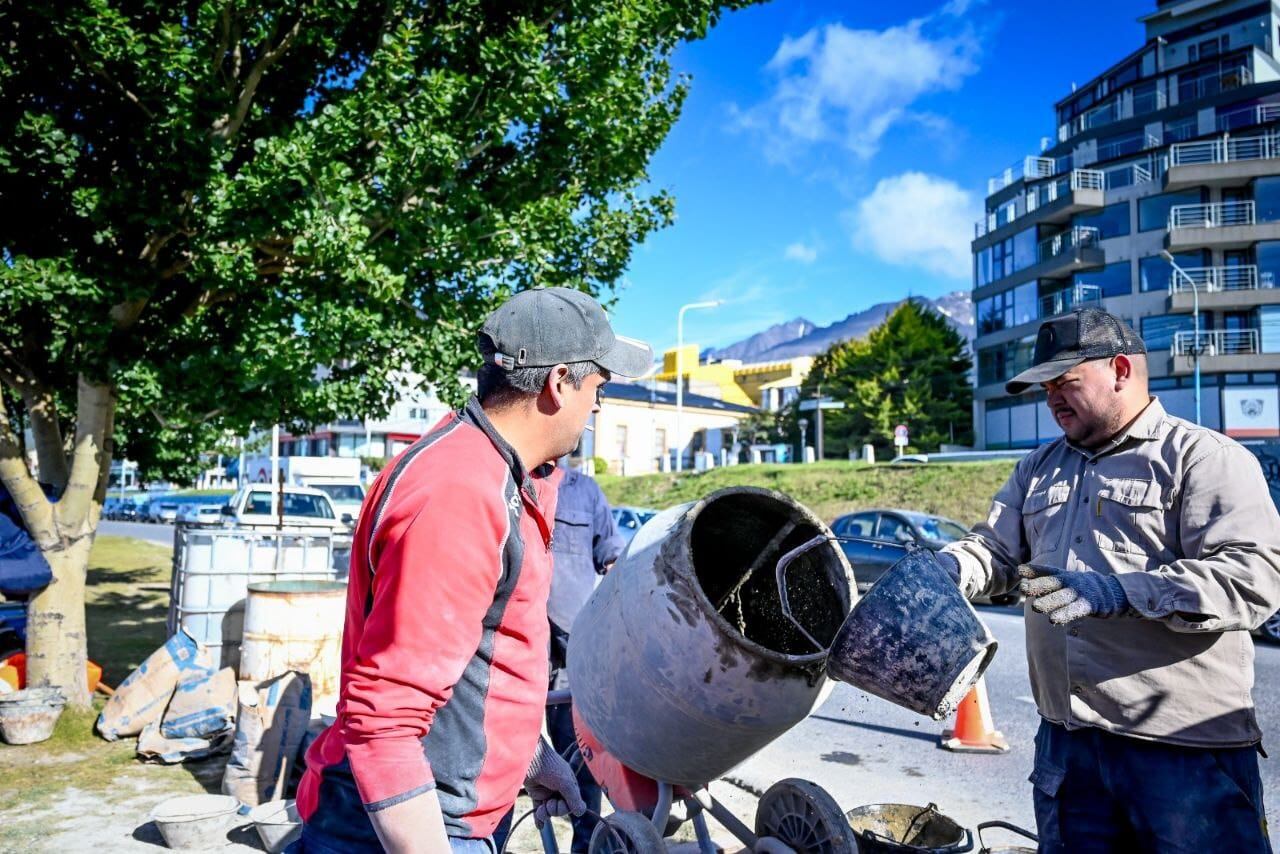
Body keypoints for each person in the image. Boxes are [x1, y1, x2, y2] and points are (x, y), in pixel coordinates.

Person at [295, 287, 653, 853]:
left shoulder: (502, 474)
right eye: (598, 392)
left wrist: (529, 759)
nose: (595, 412)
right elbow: (385, 722)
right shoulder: (460, 491)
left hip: (450, 808)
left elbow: (476, 660)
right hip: (410, 823)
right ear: (560, 384)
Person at [939, 307, 1280, 852]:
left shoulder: (1203, 459)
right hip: (1069, 748)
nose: (1051, 397)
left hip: (1182, 752)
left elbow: (1254, 577)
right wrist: (954, 567)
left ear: (1121, 369)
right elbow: (996, 551)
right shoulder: (1038, 468)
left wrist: (1119, 592)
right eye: (1044, 386)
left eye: (1065, 381)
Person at [545, 459, 624, 851]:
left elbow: (610, 550)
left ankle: (585, 844)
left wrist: (616, 568)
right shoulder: (511, 480)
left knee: (581, 756)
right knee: (500, 755)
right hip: (515, 647)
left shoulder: (585, 491)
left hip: (571, 650)